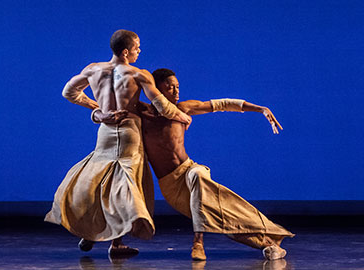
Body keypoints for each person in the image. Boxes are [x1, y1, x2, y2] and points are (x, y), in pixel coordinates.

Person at [96, 68, 294, 260]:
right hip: (170, 185)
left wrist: (261, 109)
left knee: (198, 175)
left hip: (189, 169)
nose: (176, 91)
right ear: (155, 90)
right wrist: (98, 115)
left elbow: (221, 104)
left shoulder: (182, 108)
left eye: (177, 86)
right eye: (170, 87)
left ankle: (198, 242)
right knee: (219, 217)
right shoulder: (142, 113)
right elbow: (109, 107)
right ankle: (270, 246)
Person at [45, 31, 191, 255]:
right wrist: (182, 117)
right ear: (126, 51)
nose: (139, 51)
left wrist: (100, 111)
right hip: (128, 132)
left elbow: (69, 92)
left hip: (105, 130)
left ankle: (91, 233)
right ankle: (115, 242)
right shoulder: (138, 74)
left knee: (99, 182)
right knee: (125, 185)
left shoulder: (93, 69)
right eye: (137, 48)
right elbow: (162, 106)